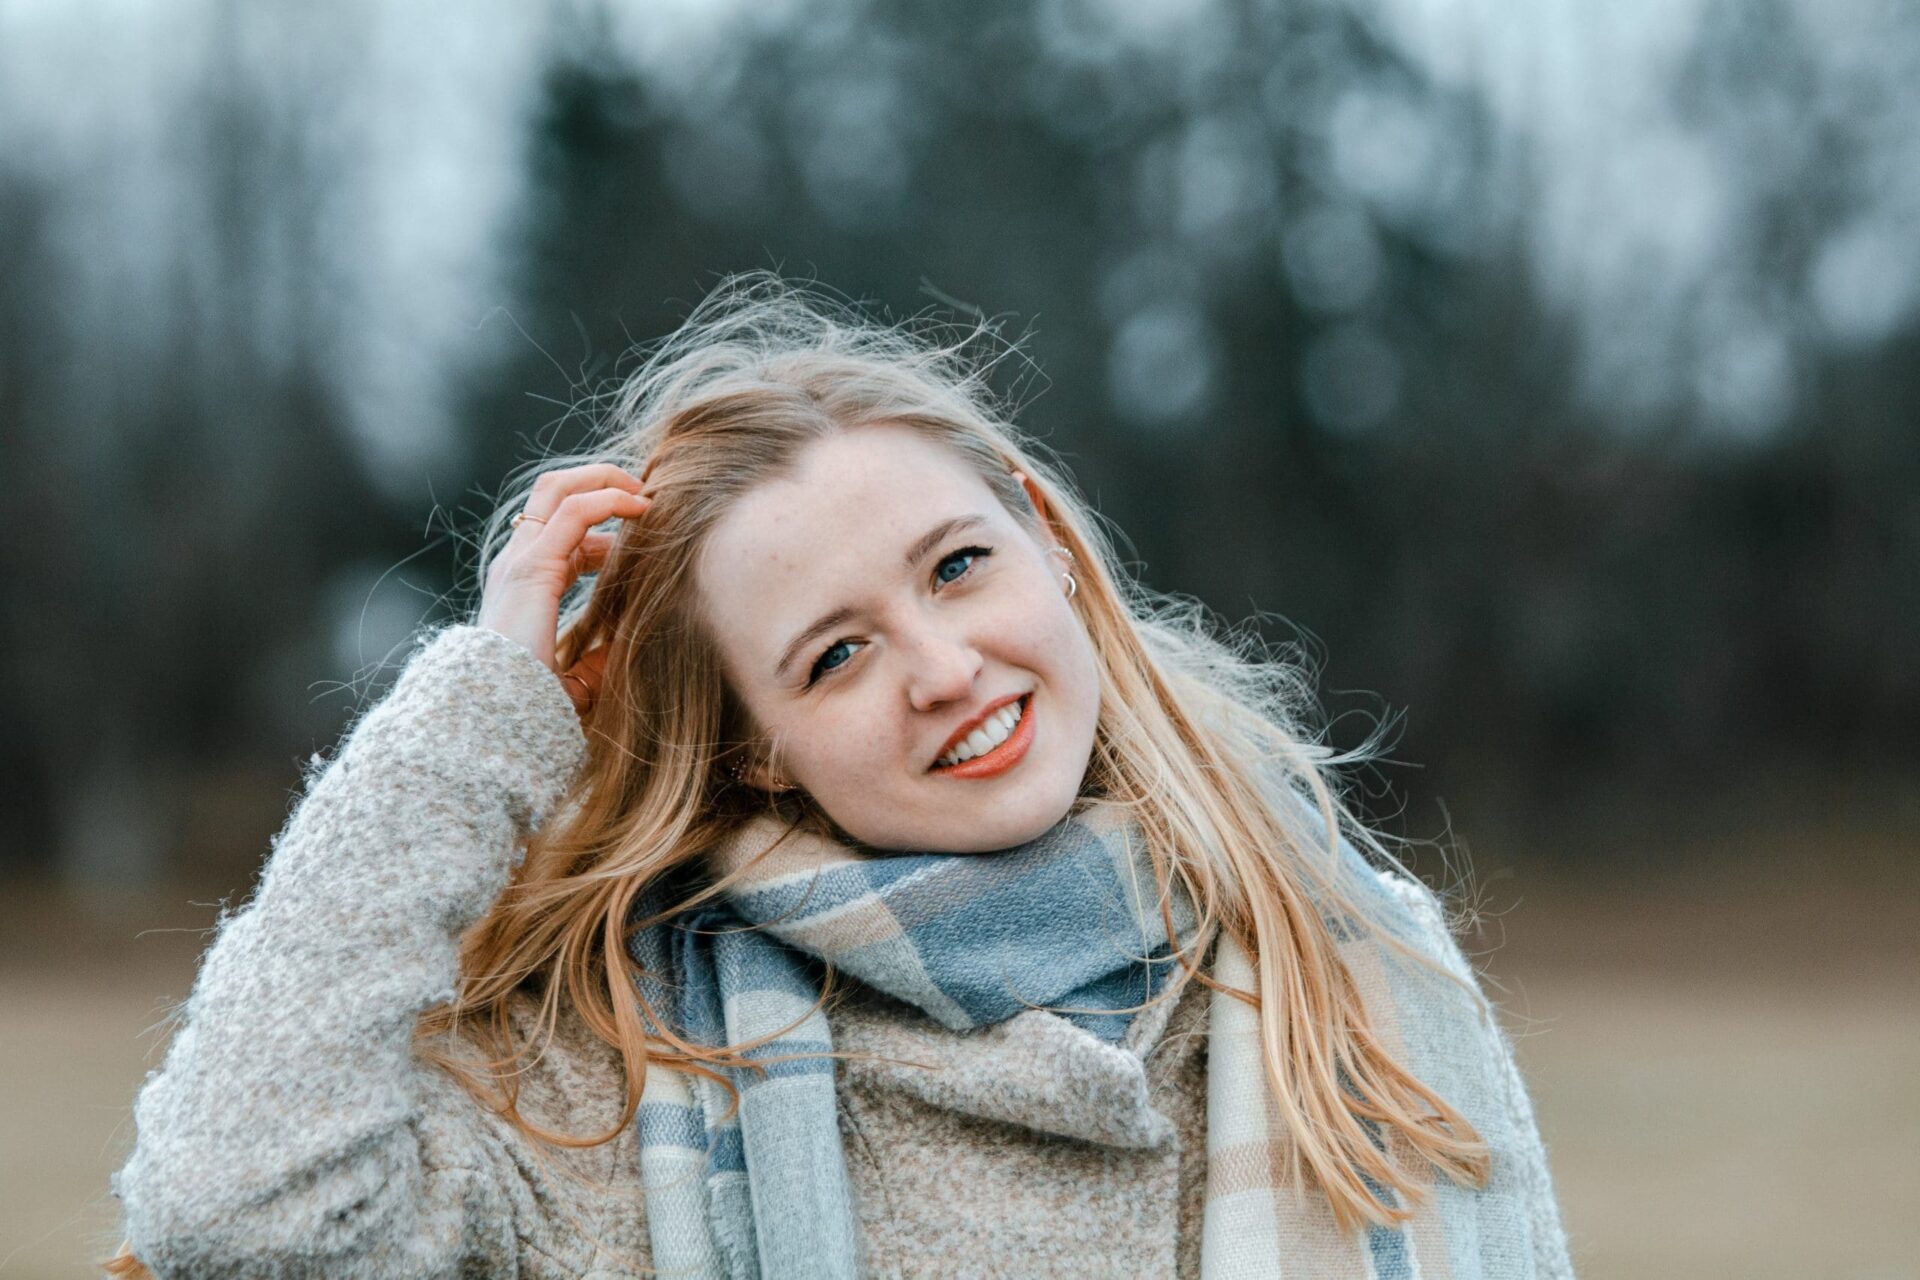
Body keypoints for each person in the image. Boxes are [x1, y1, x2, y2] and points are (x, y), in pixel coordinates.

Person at [107, 272, 1575, 1278]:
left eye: (958, 566)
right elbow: (239, 1207)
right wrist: (477, 718)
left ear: (1050, 547)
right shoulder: (624, 1079)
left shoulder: (1360, 976)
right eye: (834, 656)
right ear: (758, 743)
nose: (941, 668)